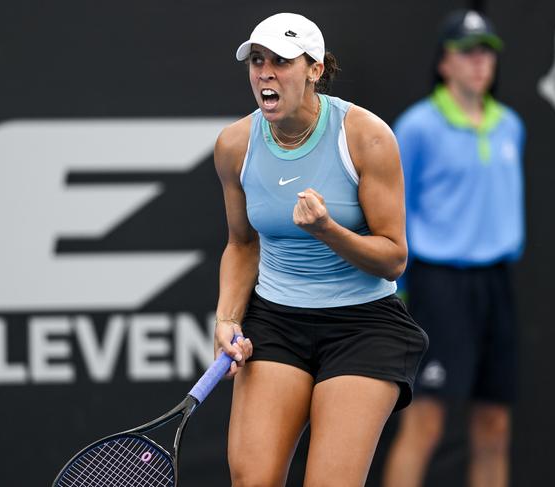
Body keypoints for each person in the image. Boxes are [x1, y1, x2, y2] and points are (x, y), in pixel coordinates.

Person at [212, 12, 428, 487]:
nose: (265, 73)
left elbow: (394, 257)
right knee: (252, 480)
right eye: (257, 61)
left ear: (314, 69)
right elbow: (242, 245)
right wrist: (227, 318)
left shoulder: (367, 137)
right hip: (276, 321)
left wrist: (329, 230)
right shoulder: (234, 145)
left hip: (363, 326)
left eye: (281, 61)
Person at [382, 9, 525, 487]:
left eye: (486, 52)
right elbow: (392, 211)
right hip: (440, 288)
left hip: (496, 286)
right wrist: (399, 290)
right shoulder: (417, 127)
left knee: (494, 426)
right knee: (425, 423)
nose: (479, 63)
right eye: (467, 53)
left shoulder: (509, 126)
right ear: (445, 63)